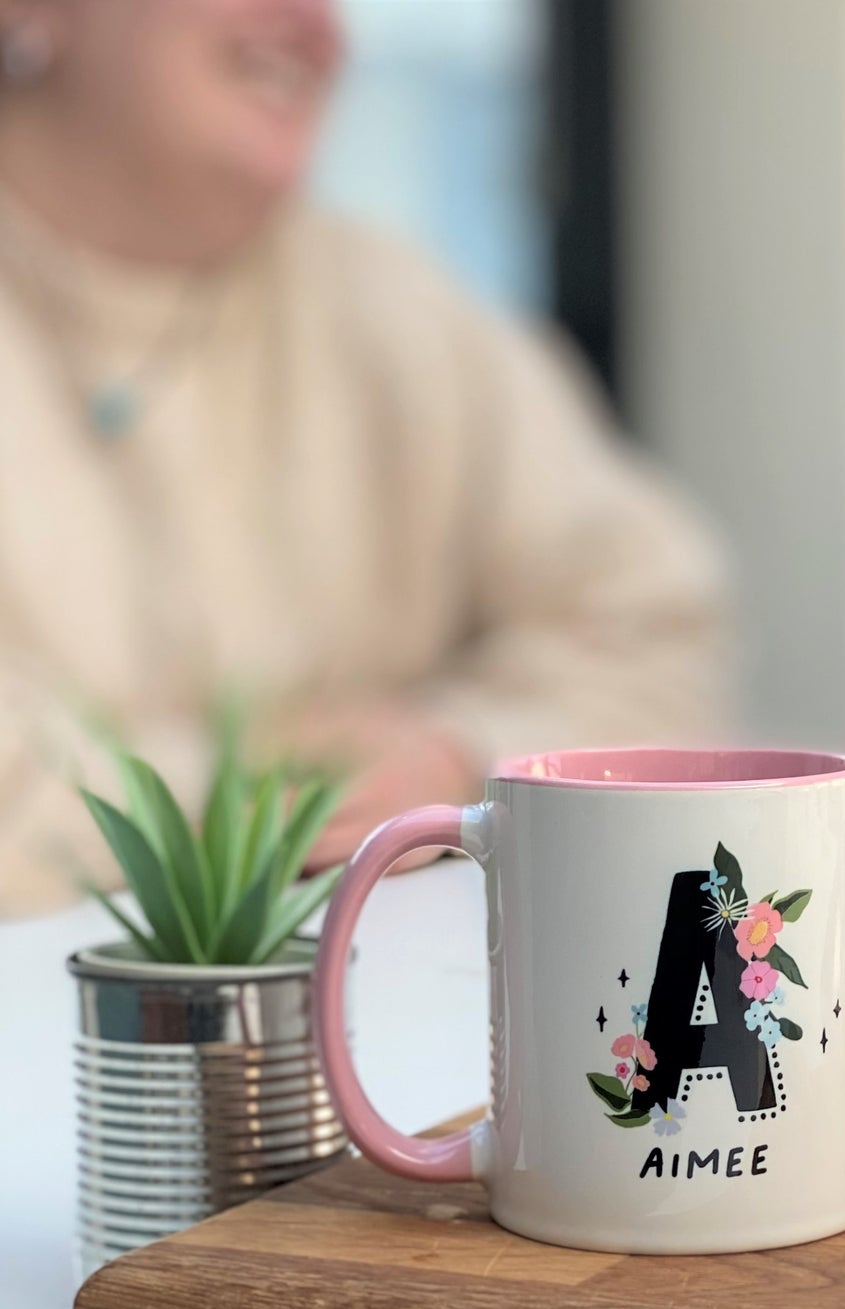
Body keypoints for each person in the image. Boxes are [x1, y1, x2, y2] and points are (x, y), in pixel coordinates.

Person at [0, 0, 728, 915]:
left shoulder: (407, 321)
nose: (316, 25)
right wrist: (265, 787)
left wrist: (463, 754)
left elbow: (660, 635)